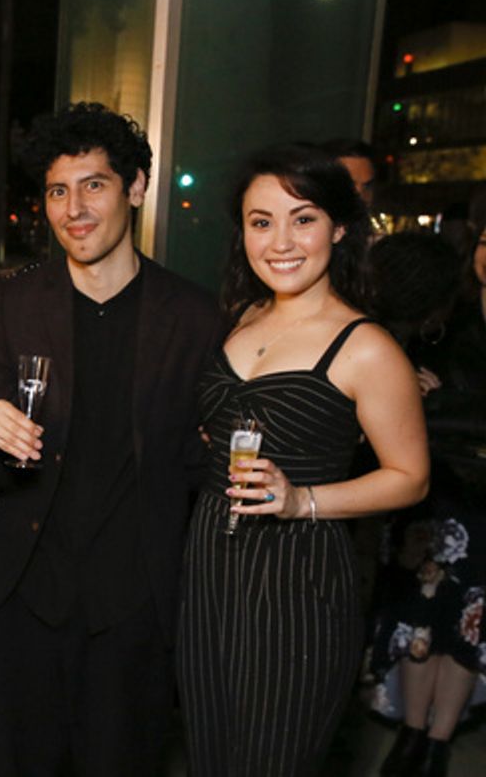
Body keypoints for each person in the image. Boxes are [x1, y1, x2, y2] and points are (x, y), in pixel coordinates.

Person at [0, 101, 224, 775]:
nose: (74, 208)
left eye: (94, 185)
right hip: (26, 595)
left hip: (133, 606)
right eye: (57, 190)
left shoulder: (193, 317)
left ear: (136, 188)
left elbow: (204, 467)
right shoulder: (15, 305)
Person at [176, 143, 429, 777]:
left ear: (340, 228)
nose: (281, 241)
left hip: (298, 581)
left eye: (304, 218)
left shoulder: (366, 346)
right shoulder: (241, 316)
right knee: (211, 755)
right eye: (262, 222)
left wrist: (302, 500)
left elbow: (411, 477)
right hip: (211, 564)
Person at [365, 228, 486, 777]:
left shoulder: (450, 320)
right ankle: (413, 735)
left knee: (467, 617)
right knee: (417, 610)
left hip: (478, 492)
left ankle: (438, 741)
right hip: (426, 491)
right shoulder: (433, 316)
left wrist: (443, 396)